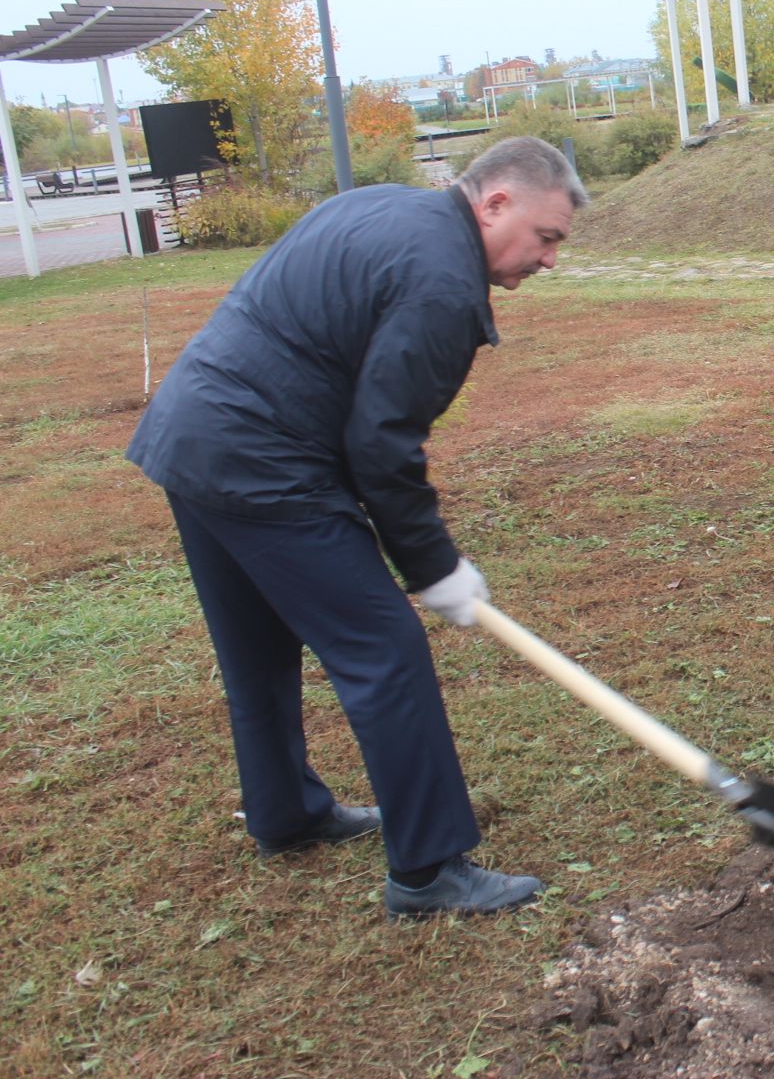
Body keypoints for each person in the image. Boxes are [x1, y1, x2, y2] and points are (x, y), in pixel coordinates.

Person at [126, 137, 585, 919]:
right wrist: (434, 566)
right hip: (260, 458)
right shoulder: (443, 282)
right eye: (546, 238)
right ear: (495, 203)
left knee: (259, 649)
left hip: (192, 434)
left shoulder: (384, 205)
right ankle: (429, 869)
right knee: (385, 649)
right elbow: (381, 445)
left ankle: (287, 815)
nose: (548, 261)